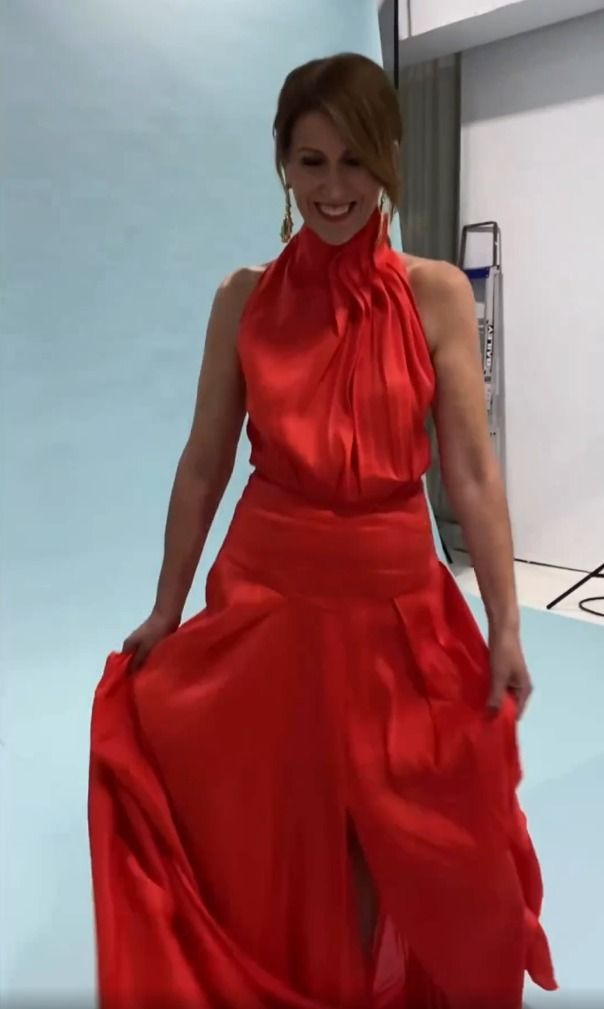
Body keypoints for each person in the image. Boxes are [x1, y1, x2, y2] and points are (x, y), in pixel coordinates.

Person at [88, 53, 557, 1009]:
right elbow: (204, 462)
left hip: (397, 611)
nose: (333, 188)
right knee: (281, 829)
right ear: (283, 166)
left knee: (409, 835)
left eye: (354, 161)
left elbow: (471, 472)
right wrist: (167, 608)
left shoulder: (435, 294)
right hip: (268, 605)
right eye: (311, 162)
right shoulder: (243, 298)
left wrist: (506, 623)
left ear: (388, 159)